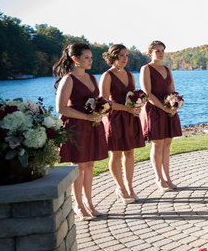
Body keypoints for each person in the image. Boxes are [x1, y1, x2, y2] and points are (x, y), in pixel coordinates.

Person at [54, 42, 108, 221]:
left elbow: (97, 101)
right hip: (76, 128)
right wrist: (87, 118)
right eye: (87, 58)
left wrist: (100, 112)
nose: (90, 60)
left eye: (91, 57)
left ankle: (89, 202)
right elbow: (61, 108)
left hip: (92, 126)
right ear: (75, 59)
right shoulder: (68, 79)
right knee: (79, 167)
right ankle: (78, 205)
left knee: (90, 165)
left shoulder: (92, 78)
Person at [100, 44, 145, 204]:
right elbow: (103, 102)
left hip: (130, 118)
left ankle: (129, 186)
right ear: (114, 57)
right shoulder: (107, 76)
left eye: (126, 55)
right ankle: (120, 187)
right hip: (114, 118)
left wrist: (138, 107)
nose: (125, 59)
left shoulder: (130, 76)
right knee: (117, 153)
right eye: (121, 56)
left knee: (130, 152)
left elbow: (134, 96)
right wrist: (126, 108)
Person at [140, 40, 182, 192]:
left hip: (168, 110)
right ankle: (159, 178)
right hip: (154, 110)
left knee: (167, 144)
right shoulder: (146, 69)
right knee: (158, 145)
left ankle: (168, 177)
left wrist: (174, 105)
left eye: (162, 50)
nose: (160, 53)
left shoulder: (167, 69)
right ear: (150, 53)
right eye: (157, 51)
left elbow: (173, 91)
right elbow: (147, 93)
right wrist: (164, 108)